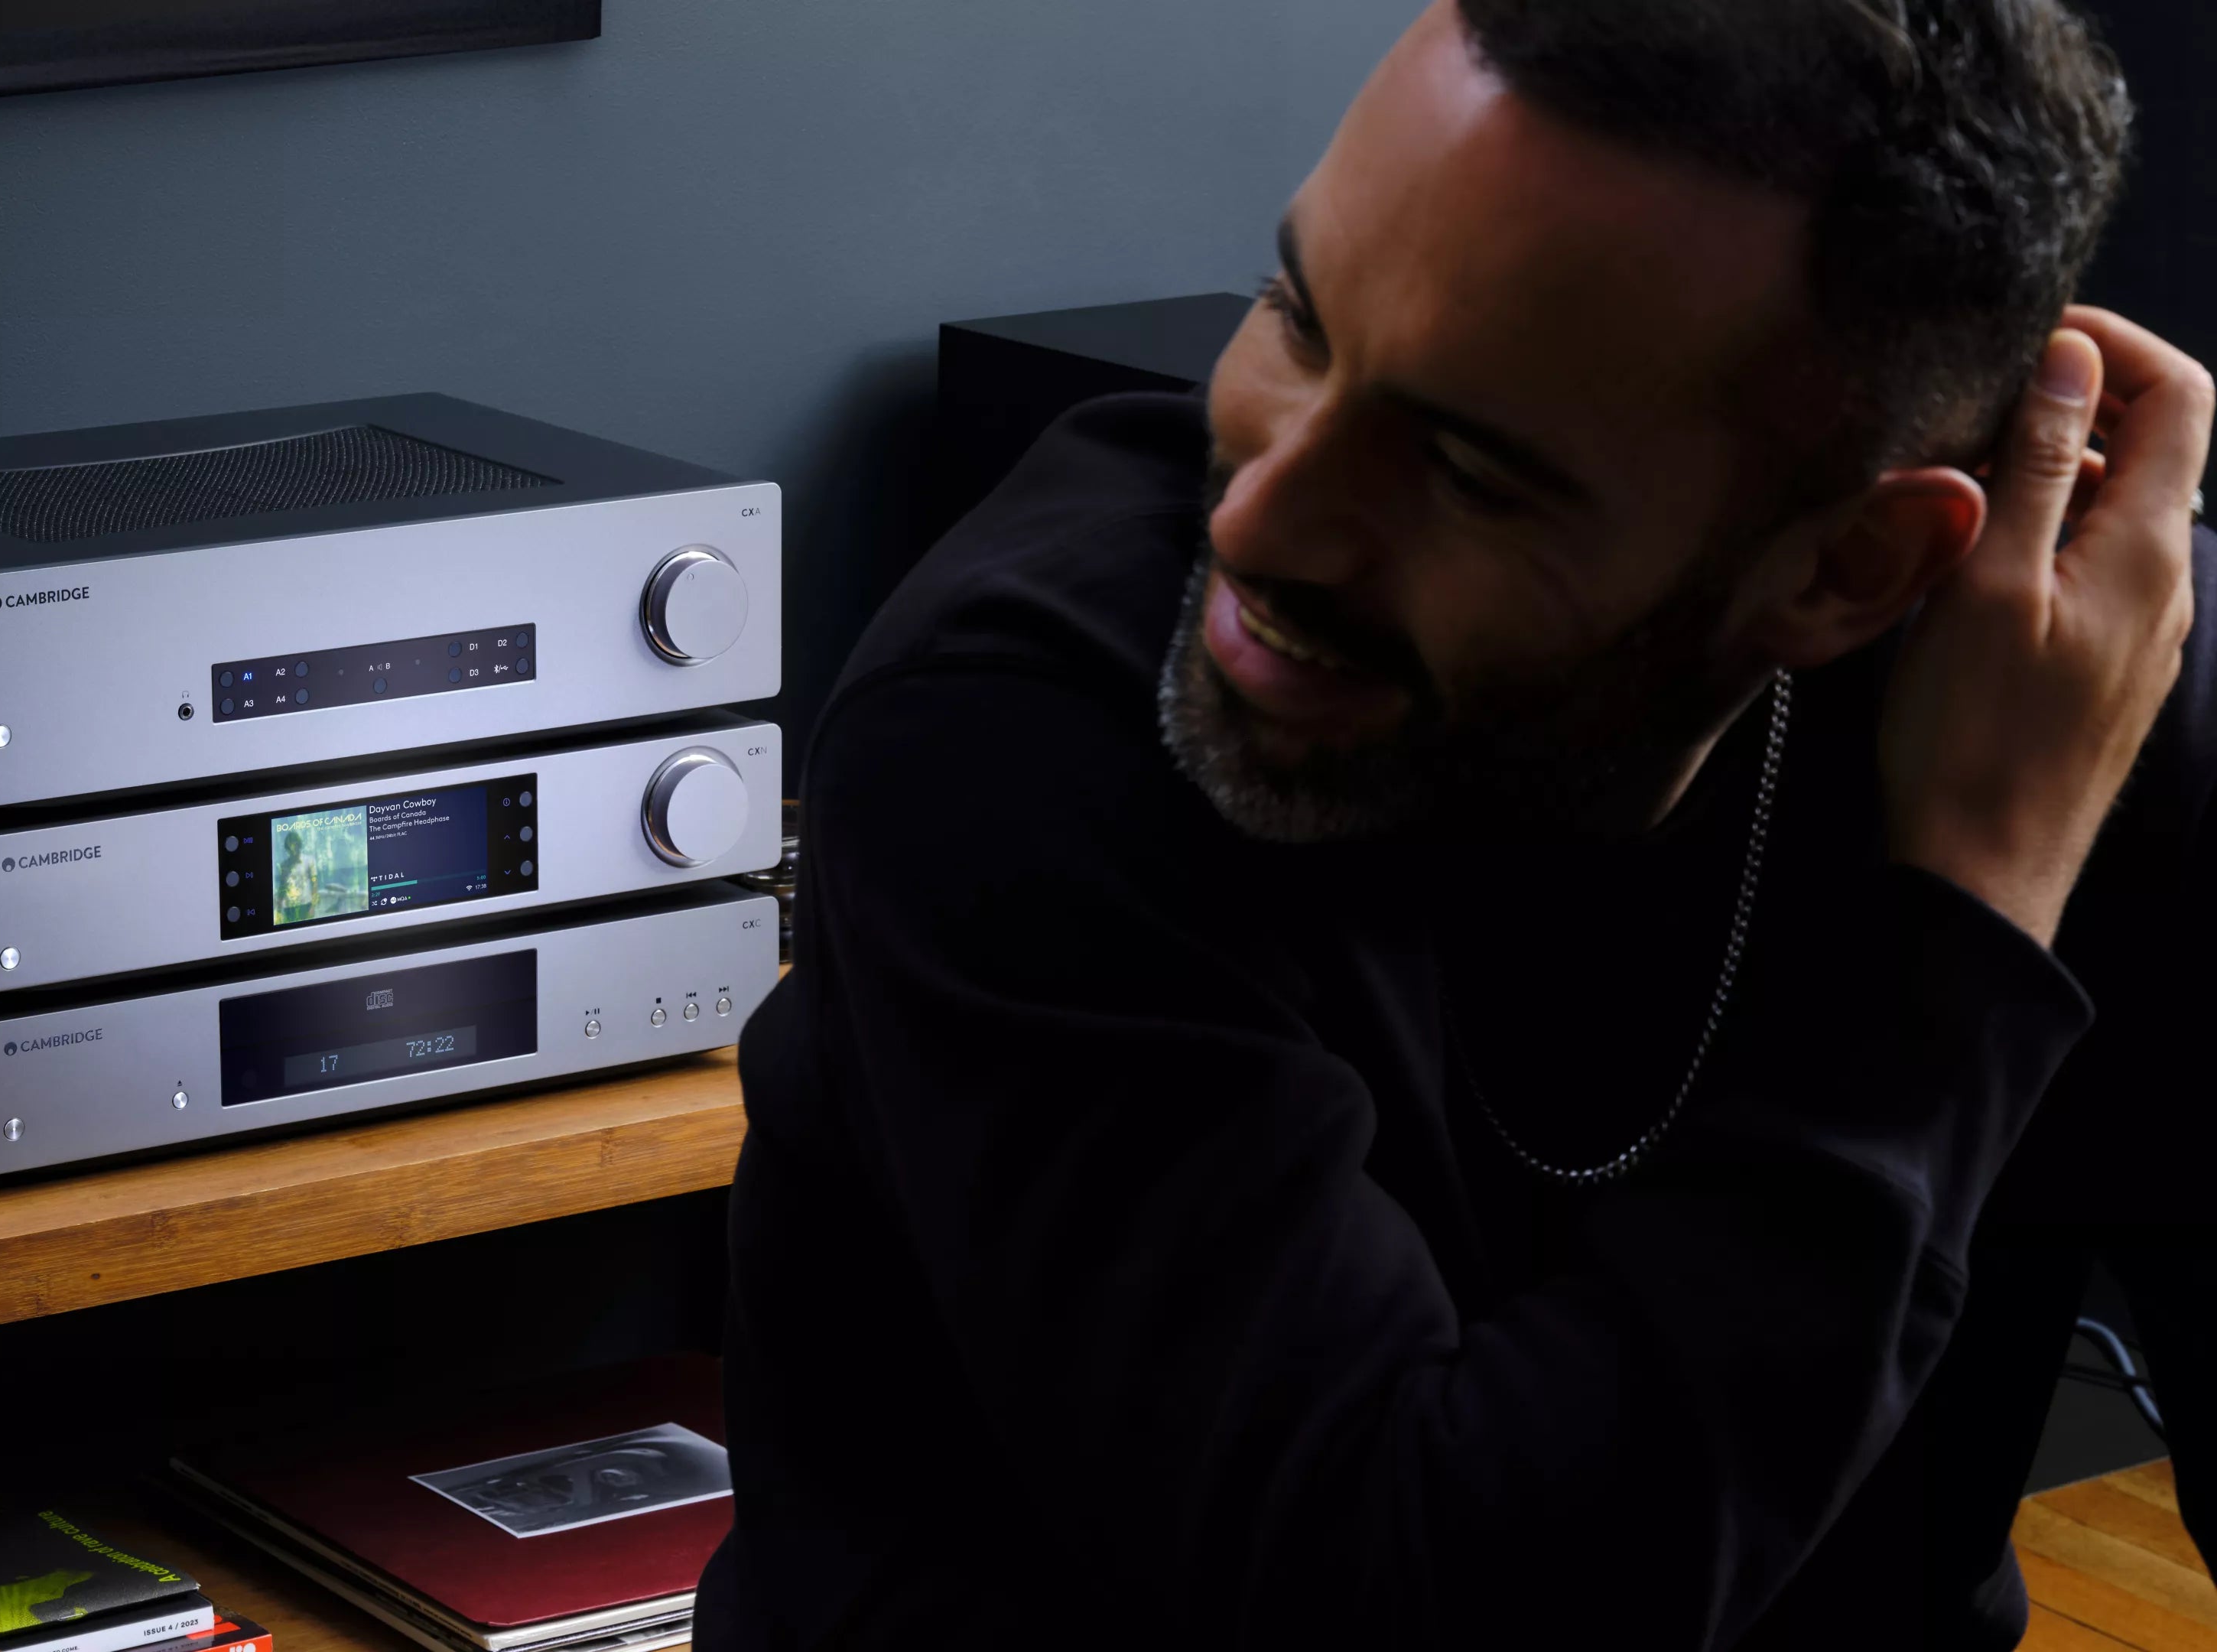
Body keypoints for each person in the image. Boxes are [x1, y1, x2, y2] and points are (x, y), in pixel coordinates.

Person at [696, 1, 2214, 1647]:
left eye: (1475, 471)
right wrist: (1964, 932)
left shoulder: (2069, 705)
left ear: (1849, 572)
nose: (1260, 516)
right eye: (1301, 315)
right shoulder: (1019, 726)